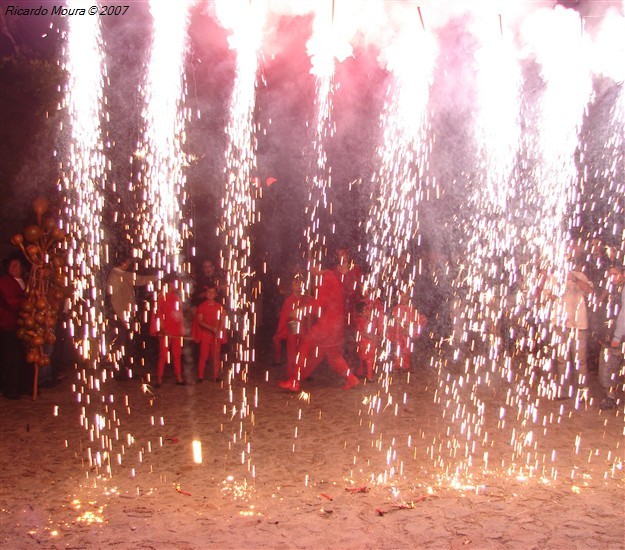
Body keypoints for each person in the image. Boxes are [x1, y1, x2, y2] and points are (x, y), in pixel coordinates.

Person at [278, 259, 359, 392]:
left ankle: (295, 381)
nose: (311, 271)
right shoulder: (331, 277)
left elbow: (319, 304)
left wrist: (300, 311)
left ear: (317, 266)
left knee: (305, 345)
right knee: (334, 355)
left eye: (312, 267)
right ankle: (352, 378)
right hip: (335, 325)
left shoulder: (326, 278)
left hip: (327, 325)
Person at [547, 246, 593, 400]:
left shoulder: (580, 276)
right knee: (561, 358)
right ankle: (564, 390)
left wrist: (574, 279)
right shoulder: (554, 276)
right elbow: (549, 296)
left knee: (580, 360)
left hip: (579, 325)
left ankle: (582, 392)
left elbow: (589, 291)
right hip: (560, 324)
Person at [106, 253, 158, 381]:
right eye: (128, 262)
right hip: (121, 317)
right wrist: (122, 317)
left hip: (125, 315)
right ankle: (120, 372)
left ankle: (125, 371)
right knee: (122, 344)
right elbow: (115, 300)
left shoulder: (122, 274)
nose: (129, 264)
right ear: (122, 262)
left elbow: (139, 279)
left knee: (126, 344)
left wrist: (156, 277)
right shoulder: (116, 276)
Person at [272, 275, 311, 380]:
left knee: (304, 351)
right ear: (292, 286)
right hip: (293, 326)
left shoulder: (307, 299)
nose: (299, 286)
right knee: (292, 352)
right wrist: (280, 332)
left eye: (300, 283)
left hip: (303, 327)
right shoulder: (289, 301)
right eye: (296, 283)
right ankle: (292, 375)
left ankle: (303, 373)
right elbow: (285, 317)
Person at [597, 264, 624, 410]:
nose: (612, 277)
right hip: (611, 334)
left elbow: (623, 315)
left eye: (615, 274)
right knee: (609, 366)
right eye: (610, 274)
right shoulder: (612, 289)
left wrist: (617, 337)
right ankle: (611, 396)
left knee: (610, 366)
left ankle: (611, 397)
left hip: (618, 337)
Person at [150, 276, 185, 387]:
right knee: (163, 354)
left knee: (177, 354)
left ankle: (179, 377)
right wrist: (163, 328)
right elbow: (159, 314)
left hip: (175, 329)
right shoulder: (161, 297)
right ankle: (159, 379)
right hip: (165, 330)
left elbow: (179, 314)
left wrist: (181, 329)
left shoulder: (176, 296)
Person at [0, 257, 27, 399]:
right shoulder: (4, 282)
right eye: (13, 265)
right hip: (8, 324)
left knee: (22, 357)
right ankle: (11, 389)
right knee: (12, 358)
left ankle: (22, 386)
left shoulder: (26, 281)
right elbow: (10, 302)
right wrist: (28, 300)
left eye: (18, 264)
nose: (16, 267)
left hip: (23, 325)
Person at [192, 285, 227, 383]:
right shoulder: (202, 306)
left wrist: (218, 330)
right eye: (209, 292)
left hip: (215, 335)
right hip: (206, 334)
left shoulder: (219, 307)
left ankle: (216, 376)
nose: (210, 294)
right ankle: (200, 376)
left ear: (215, 295)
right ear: (206, 294)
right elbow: (200, 321)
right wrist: (211, 328)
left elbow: (223, 321)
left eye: (212, 292)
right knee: (203, 355)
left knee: (216, 356)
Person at [387, 289, 427, 371]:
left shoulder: (411, 308)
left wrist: (409, 328)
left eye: (405, 296)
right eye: (401, 297)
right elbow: (396, 319)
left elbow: (414, 319)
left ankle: (406, 365)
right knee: (399, 347)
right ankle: (398, 365)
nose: (403, 298)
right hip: (399, 331)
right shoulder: (396, 308)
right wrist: (402, 326)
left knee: (407, 348)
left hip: (407, 331)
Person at [354, 293, 384, 381]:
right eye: (366, 310)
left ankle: (361, 372)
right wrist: (373, 338)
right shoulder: (362, 321)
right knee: (369, 359)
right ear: (361, 312)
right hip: (366, 343)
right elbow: (363, 332)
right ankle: (369, 376)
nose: (368, 312)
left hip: (364, 343)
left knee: (363, 359)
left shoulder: (363, 320)